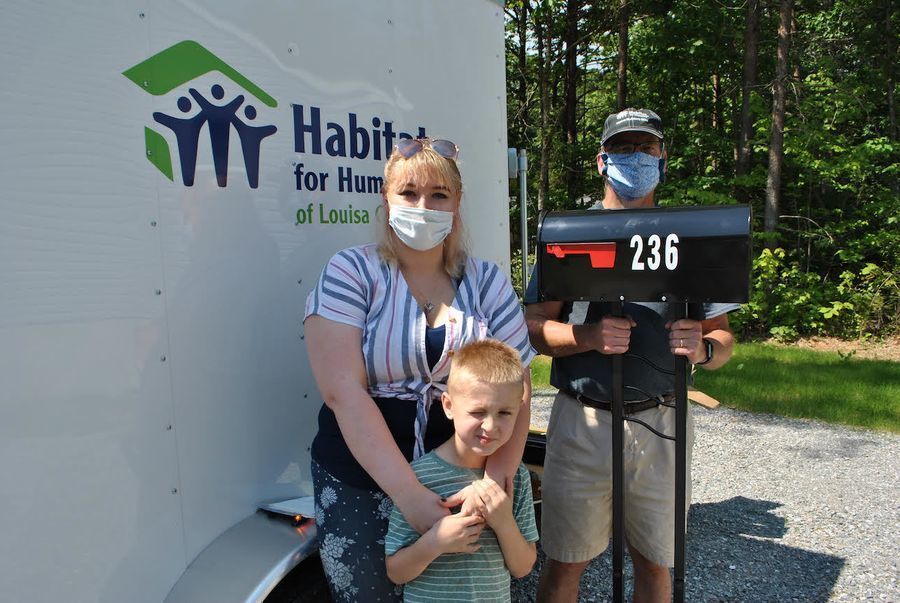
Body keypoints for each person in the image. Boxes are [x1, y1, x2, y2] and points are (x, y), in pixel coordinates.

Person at [304, 137, 535, 601]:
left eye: (439, 195)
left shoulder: (486, 280)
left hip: (459, 478)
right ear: (386, 200)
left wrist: (494, 484)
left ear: (457, 204)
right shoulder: (352, 271)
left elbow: (520, 389)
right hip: (360, 473)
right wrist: (409, 496)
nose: (423, 205)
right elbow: (343, 391)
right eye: (408, 193)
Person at [525, 108, 740, 603]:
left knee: (656, 563)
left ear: (664, 160)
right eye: (624, 148)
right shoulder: (571, 236)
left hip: (663, 420)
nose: (636, 158)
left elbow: (724, 342)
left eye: (647, 148)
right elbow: (535, 328)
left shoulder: (690, 240)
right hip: (583, 421)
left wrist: (703, 349)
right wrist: (588, 336)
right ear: (602, 161)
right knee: (564, 563)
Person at [384, 339, 539, 601]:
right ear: (448, 406)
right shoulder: (418, 478)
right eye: (478, 411)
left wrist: (503, 522)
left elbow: (523, 567)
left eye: (504, 412)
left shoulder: (515, 478)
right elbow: (396, 572)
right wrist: (435, 542)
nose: (490, 426)